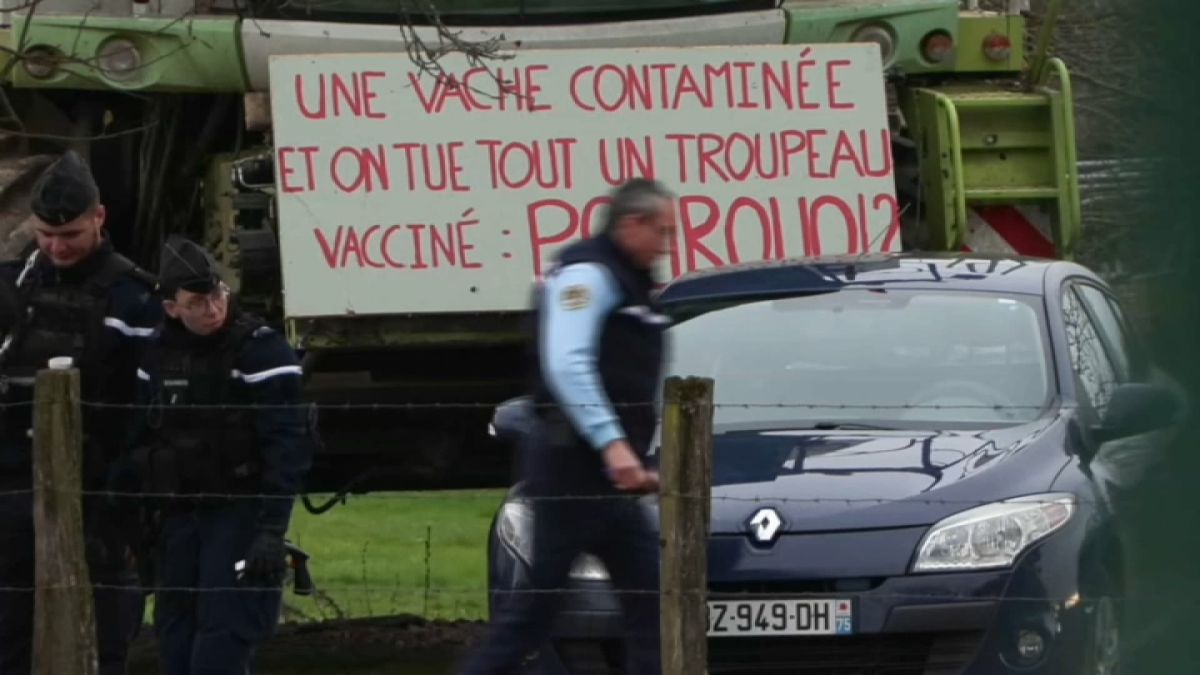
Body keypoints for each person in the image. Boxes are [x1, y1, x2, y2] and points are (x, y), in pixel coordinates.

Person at [462, 178, 677, 675]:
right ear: (631, 224)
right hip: (570, 471)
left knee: (651, 602)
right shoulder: (589, 275)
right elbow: (568, 363)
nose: (666, 245)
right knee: (533, 615)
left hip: (604, 481)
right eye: (661, 232)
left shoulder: (631, 282)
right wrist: (615, 446)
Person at [0, 150, 161, 675]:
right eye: (45, 234)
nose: (55, 247)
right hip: (14, 484)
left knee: (105, 633)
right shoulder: (14, 286)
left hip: (101, 489)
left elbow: (149, 409)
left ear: (99, 217)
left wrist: (122, 493)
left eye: (68, 235)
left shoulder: (135, 300)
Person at [128, 235, 312, 675]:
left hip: (239, 510)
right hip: (177, 515)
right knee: (174, 630)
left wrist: (270, 530)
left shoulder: (260, 349)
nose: (212, 308)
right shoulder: (156, 354)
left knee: (224, 634)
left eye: (217, 295)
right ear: (171, 307)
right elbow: (138, 434)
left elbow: (288, 444)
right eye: (197, 302)